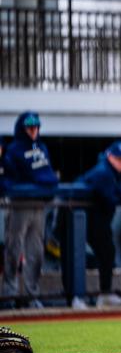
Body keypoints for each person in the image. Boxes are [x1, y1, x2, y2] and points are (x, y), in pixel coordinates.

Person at [2, 112, 58, 308]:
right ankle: (9, 295)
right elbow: (15, 177)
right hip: (19, 206)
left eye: (36, 126)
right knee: (13, 248)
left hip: (39, 206)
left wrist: (42, 181)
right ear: (23, 128)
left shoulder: (42, 147)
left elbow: (48, 176)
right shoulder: (14, 150)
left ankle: (31, 296)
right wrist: (38, 180)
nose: (34, 130)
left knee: (36, 251)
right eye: (30, 127)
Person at [77, 142, 121, 308]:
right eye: (117, 158)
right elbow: (109, 198)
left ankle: (104, 294)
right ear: (109, 156)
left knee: (107, 253)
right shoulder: (102, 172)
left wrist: (118, 189)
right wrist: (120, 191)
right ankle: (76, 297)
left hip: (100, 219)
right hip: (76, 214)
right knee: (75, 254)